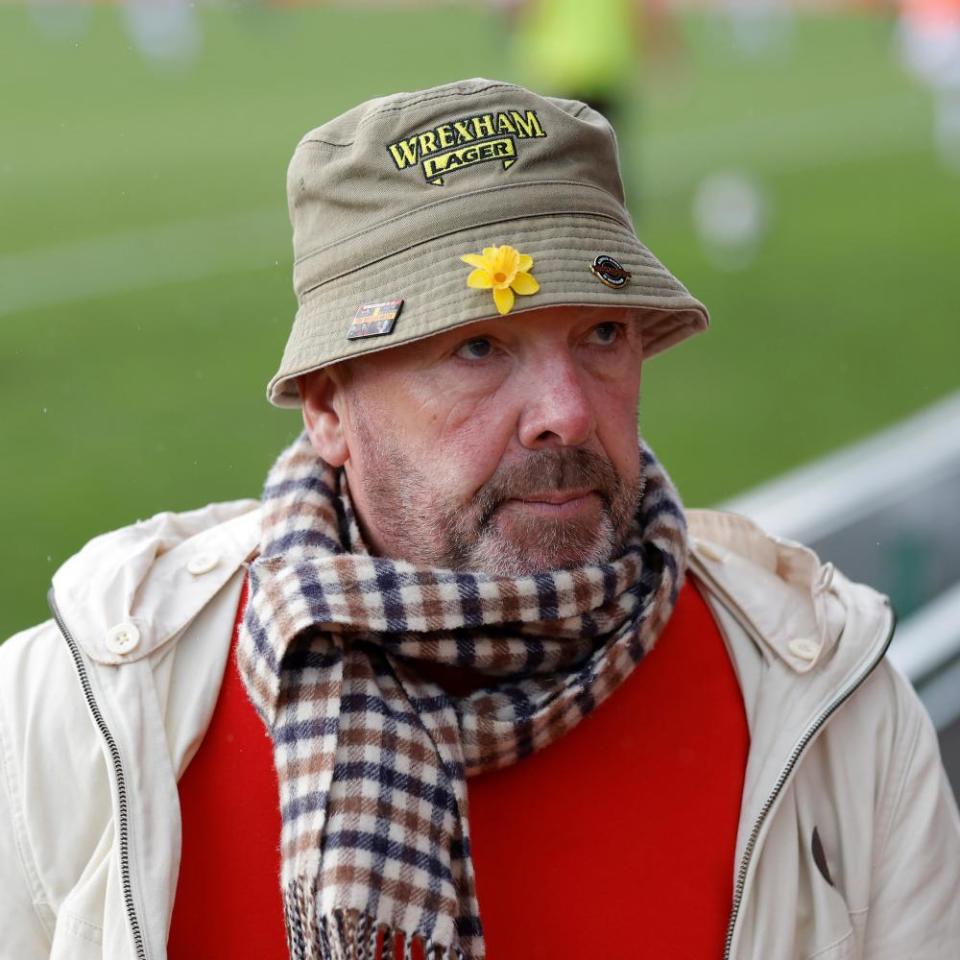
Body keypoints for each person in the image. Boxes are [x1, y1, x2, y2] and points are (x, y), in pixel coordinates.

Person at [1, 78, 958, 960]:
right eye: (478, 345)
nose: (569, 412)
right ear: (329, 407)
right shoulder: (81, 715)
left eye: (602, 334)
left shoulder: (831, 706)